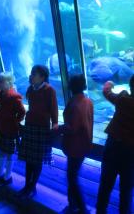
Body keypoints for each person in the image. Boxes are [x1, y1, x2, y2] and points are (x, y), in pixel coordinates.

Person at [18, 64, 58, 199]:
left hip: (42, 128)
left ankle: (32, 186)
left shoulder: (49, 90)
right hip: (30, 127)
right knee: (29, 159)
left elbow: (54, 108)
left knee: (37, 160)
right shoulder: (31, 89)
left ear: (42, 77)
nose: (31, 76)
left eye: (34, 74)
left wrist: (55, 123)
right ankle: (27, 185)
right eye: (31, 73)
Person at [96, 77, 134, 214]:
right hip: (131, 153)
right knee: (127, 190)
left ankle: (101, 211)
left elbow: (107, 92)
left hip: (113, 148)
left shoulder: (123, 99)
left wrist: (109, 83)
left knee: (105, 186)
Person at [60, 74, 93, 214]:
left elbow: (72, 128)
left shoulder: (76, 104)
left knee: (72, 178)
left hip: (75, 146)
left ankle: (82, 208)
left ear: (71, 86)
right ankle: (72, 204)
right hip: (83, 144)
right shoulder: (87, 101)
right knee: (72, 175)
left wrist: (58, 128)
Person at [0, 72, 25, 186]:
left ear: (10, 83)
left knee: (10, 153)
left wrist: (14, 122)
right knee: (2, 151)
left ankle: (8, 176)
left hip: (10, 129)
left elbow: (22, 112)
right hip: (1, 127)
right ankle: (0, 174)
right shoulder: (0, 95)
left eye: (1, 82)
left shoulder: (14, 96)